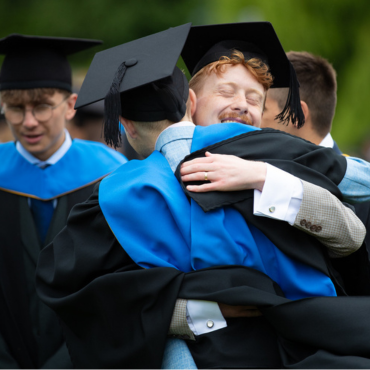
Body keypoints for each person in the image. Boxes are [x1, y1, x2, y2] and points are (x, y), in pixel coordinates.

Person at [36, 23, 370, 368]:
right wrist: (204, 309)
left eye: (254, 98)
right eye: (226, 92)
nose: (241, 104)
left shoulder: (280, 162)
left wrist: (263, 178)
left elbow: (351, 237)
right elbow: (101, 298)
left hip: (305, 342)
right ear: (190, 103)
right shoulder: (129, 192)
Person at [0, 34, 127, 369]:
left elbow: (120, 284)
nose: (28, 122)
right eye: (15, 108)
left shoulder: (113, 177)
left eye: (42, 106)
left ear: (71, 105)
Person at [260, 50, 370, 291]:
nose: (252, 119)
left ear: (297, 115)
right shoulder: (256, 177)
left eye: (262, 109)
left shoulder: (363, 198)